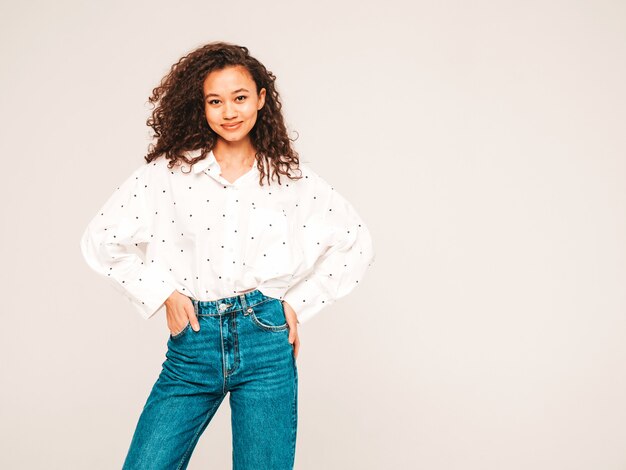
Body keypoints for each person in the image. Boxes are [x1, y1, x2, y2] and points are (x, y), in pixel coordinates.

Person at [80, 41, 375, 470]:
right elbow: (102, 238)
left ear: (260, 98)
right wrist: (162, 293)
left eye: (239, 98)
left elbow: (354, 241)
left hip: (265, 338)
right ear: (200, 107)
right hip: (194, 342)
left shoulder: (290, 179)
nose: (229, 111)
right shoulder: (169, 174)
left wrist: (297, 304)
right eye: (215, 101)